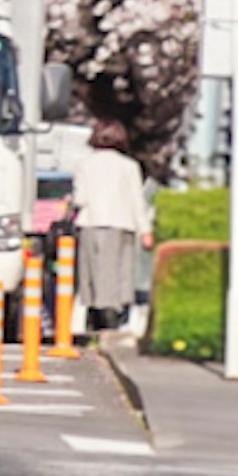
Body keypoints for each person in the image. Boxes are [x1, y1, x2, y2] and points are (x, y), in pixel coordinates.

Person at [70, 117, 150, 339]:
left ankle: (97, 317)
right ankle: (115, 315)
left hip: (92, 222)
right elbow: (137, 200)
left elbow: (81, 198)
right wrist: (145, 230)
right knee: (120, 272)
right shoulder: (129, 166)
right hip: (123, 224)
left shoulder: (84, 164)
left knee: (94, 273)